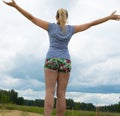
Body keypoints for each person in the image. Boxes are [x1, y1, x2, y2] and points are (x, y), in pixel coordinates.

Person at [2, 0, 120, 116]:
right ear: (66, 17)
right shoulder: (71, 29)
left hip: (51, 60)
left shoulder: (50, 27)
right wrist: (108, 17)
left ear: (56, 17)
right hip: (65, 61)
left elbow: (31, 17)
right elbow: (91, 24)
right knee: (61, 94)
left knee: (49, 92)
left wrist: (16, 6)